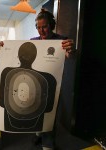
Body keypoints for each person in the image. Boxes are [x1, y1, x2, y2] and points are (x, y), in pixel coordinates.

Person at [30, 8, 74, 150]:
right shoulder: (33, 41)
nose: (41, 31)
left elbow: (70, 56)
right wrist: (6, 48)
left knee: (50, 116)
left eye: (45, 27)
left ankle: (47, 144)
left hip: (53, 86)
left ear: (51, 25)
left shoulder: (61, 41)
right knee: (36, 112)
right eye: (39, 27)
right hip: (36, 84)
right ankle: (38, 135)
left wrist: (71, 51)